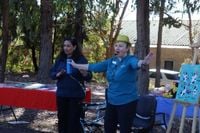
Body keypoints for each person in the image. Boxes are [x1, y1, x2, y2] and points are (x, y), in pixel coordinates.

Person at [71, 34, 154, 133]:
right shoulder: (111, 61)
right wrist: (76, 65)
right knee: (109, 128)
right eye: (116, 45)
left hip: (127, 102)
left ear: (127, 48)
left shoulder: (130, 59)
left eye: (121, 46)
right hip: (111, 101)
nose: (117, 48)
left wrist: (143, 62)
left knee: (124, 130)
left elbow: (136, 63)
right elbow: (94, 66)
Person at [50, 37, 92, 133]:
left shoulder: (81, 59)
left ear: (74, 47)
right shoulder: (60, 59)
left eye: (68, 46)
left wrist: (83, 72)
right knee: (62, 120)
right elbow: (52, 73)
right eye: (64, 46)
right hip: (62, 94)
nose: (66, 48)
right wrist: (58, 74)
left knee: (73, 121)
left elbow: (89, 77)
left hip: (75, 95)